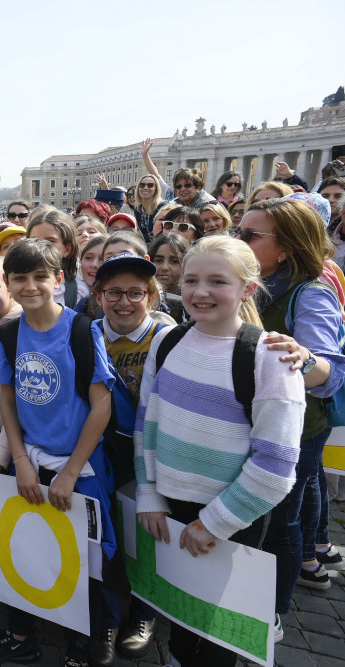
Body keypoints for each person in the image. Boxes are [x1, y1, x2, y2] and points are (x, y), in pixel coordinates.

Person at [135, 235, 305, 666]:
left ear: (249, 288)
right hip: (170, 506)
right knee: (180, 612)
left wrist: (215, 523)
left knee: (219, 633)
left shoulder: (270, 358)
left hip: (233, 517)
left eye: (217, 281)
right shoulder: (167, 341)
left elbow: (275, 463)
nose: (200, 292)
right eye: (191, 280)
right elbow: (146, 423)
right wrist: (149, 493)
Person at [0, 238, 115, 667]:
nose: (30, 286)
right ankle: (21, 632)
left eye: (40, 277)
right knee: (28, 548)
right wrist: (17, 460)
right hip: (32, 462)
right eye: (20, 278)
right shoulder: (11, 332)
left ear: (58, 278)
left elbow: (101, 406)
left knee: (86, 557)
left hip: (80, 466)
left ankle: (80, 643)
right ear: (10, 284)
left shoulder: (82, 329)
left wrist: (71, 471)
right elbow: (7, 401)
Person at [235, 198, 345, 626]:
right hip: (251, 422)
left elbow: (330, 372)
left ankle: (272, 614)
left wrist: (304, 357)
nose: (237, 239)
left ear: (284, 248)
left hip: (297, 431)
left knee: (281, 521)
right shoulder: (247, 280)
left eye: (249, 235)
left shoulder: (310, 291)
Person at [88, 253, 169, 665]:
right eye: (113, 292)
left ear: (151, 296)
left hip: (153, 451)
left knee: (150, 529)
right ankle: (109, 613)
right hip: (104, 450)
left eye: (135, 292)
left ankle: (145, 611)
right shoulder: (86, 334)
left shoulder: (167, 336)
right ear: (98, 295)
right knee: (110, 532)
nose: (124, 302)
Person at [26, 208, 86, 308]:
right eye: (35, 240)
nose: (41, 246)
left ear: (67, 249)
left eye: (50, 241)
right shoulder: (15, 285)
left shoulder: (79, 292)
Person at [133, 175, 166, 242]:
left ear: (156, 189)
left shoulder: (163, 207)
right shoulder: (138, 209)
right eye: (142, 185)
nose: (145, 188)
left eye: (150, 185)